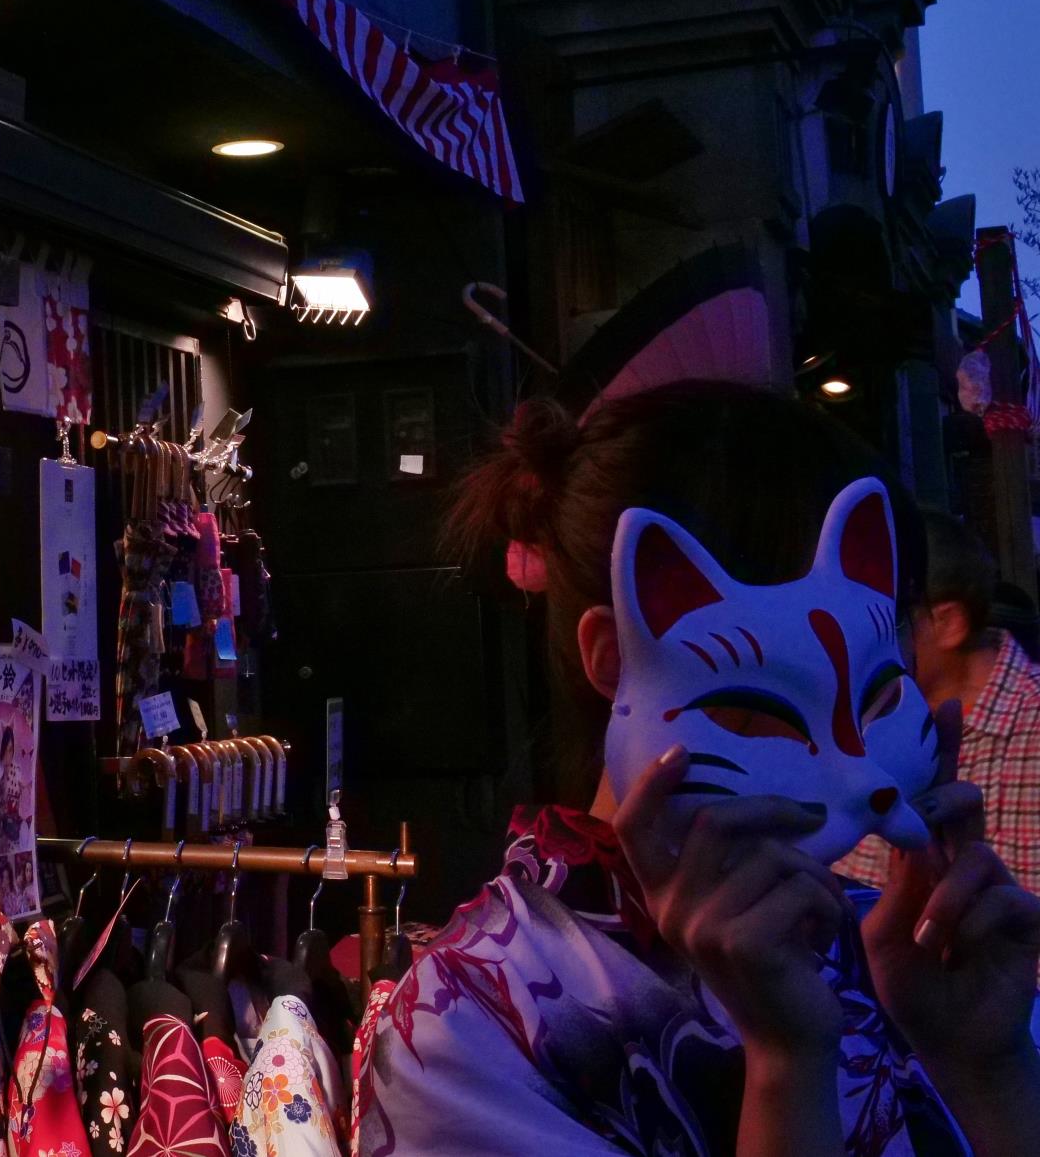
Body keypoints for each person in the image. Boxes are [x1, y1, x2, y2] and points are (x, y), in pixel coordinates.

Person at [355, 383, 1040, 1157]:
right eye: (773, 698)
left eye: (882, 687)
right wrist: (786, 1069)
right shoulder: (468, 1024)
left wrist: (989, 1068)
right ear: (614, 657)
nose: (858, 766)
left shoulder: (885, 948)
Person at [835, 514, 1040, 892]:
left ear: (948, 623)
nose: (854, 642)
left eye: (886, 620)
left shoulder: (1031, 726)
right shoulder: (855, 727)